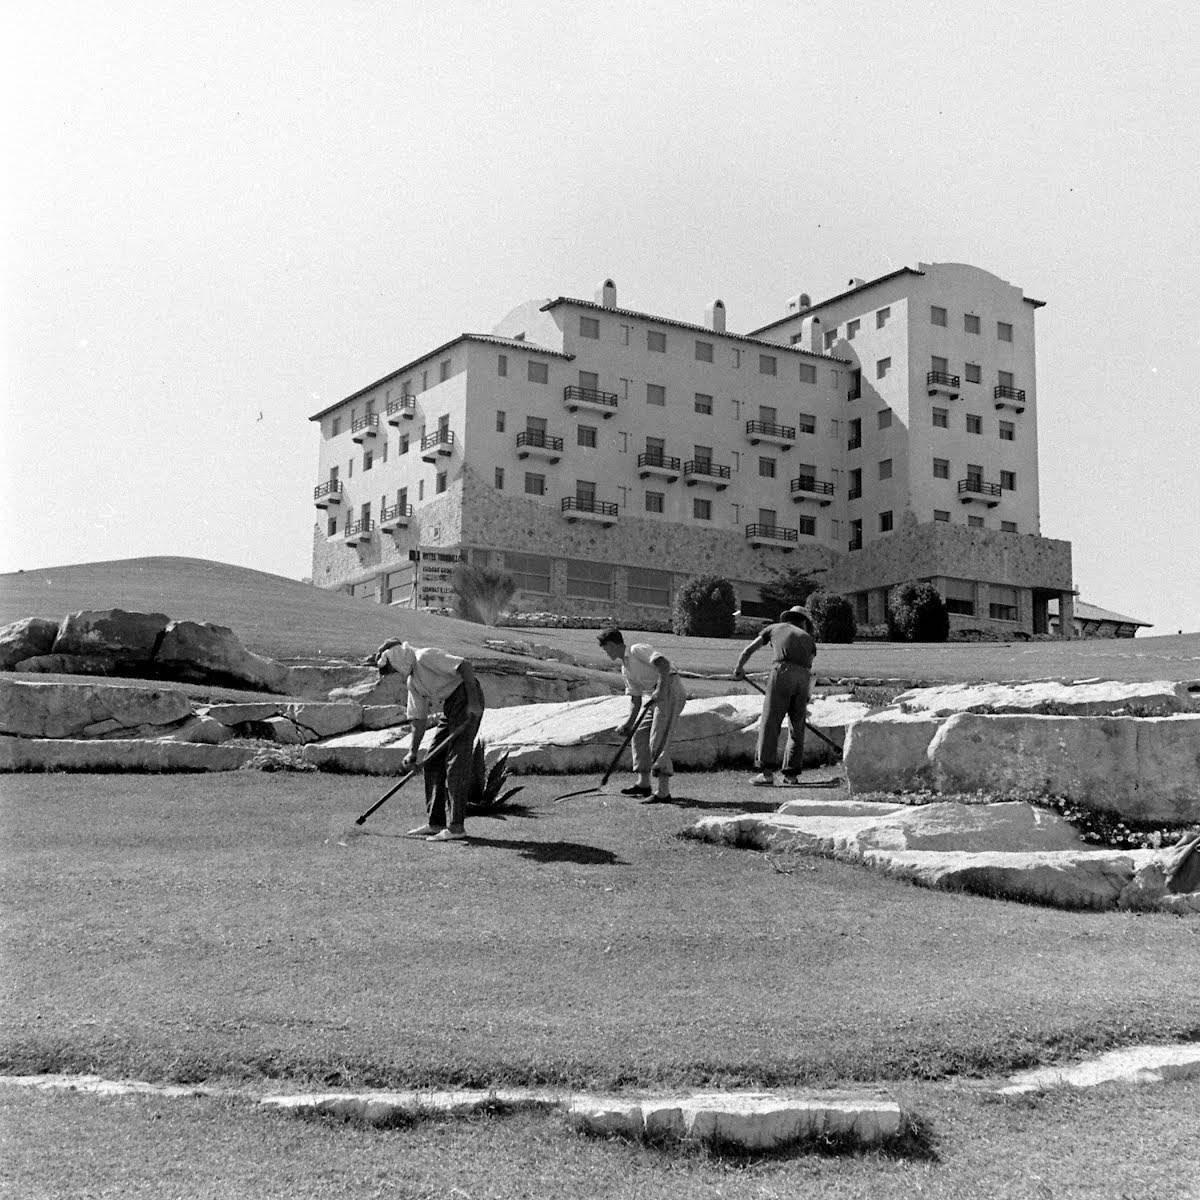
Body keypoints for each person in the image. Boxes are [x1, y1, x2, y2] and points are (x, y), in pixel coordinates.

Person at [374, 640, 485, 841]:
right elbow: (418, 718)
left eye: (391, 669)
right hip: (451, 706)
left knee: (456, 762)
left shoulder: (424, 657)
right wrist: (412, 752)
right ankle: (436, 823)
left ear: (397, 659)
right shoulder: (412, 681)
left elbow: (465, 667)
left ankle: (456, 827)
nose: (393, 673)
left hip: (466, 697)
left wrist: (474, 702)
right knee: (433, 760)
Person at [597, 628, 687, 802]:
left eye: (606, 647)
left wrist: (661, 689)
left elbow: (663, 664)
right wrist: (628, 724)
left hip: (669, 689)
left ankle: (663, 793)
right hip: (653, 697)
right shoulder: (625, 668)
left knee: (657, 739)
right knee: (639, 734)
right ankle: (643, 784)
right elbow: (635, 699)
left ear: (614, 644)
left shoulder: (637, 649)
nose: (605, 651)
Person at [733, 605, 817, 786]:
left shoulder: (774, 628)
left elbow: (749, 650)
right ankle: (791, 775)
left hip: (782, 672)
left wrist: (739, 668)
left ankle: (766, 773)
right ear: (803, 622)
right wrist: (806, 695)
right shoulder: (809, 639)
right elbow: (809, 667)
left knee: (771, 722)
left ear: (786, 618)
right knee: (797, 726)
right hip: (803, 678)